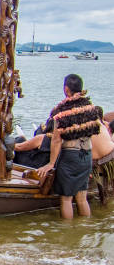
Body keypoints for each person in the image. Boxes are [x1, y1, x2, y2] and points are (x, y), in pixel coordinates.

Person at [37, 74, 101, 219]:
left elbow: (56, 140)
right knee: (82, 198)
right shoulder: (91, 108)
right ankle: (84, 232)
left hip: (70, 157)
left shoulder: (61, 111)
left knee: (66, 199)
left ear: (66, 89)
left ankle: (68, 234)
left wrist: (51, 163)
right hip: (86, 155)